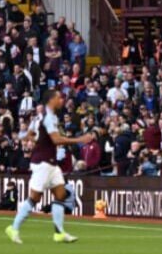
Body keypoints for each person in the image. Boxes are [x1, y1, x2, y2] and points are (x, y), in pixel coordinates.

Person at [6, 90, 95, 244]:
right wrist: (79, 139)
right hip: (43, 164)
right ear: (52, 100)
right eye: (59, 97)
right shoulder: (48, 117)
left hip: (51, 163)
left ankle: (59, 232)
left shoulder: (47, 117)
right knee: (34, 198)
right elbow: (55, 139)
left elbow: (31, 134)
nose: (62, 100)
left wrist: (36, 139)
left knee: (61, 195)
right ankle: (13, 228)